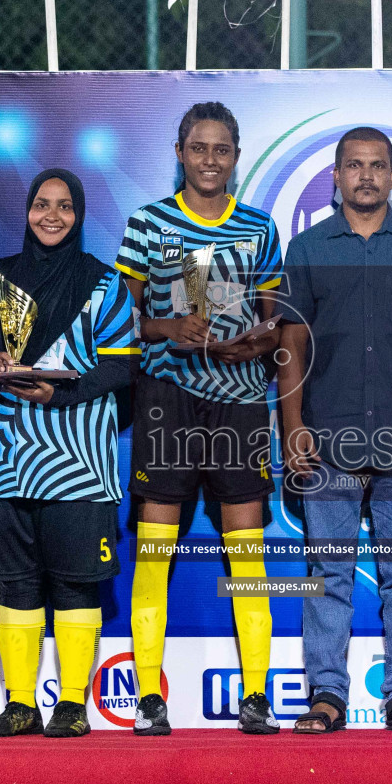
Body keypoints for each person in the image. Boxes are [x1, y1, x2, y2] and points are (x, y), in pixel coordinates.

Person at [278, 127, 392, 735]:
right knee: (327, 573)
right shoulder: (306, 249)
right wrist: (293, 425)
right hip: (326, 440)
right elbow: (291, 344)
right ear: (335, 175)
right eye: (353, 165)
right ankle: (326, 695)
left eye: (377, 165)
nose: (365, 176)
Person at [114, 102, 284, 735]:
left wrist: (254, 344)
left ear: (235, 156)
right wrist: (169, 326)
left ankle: (257, 695)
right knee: (155, 550)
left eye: (221, 149)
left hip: (238, 400)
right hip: (167, 396)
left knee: (248, 552)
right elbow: (116, 321)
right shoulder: (149, 223)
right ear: (179, 153)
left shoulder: (259, 225)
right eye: (198, 148)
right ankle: (149, 698)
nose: (209, 159)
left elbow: (275, 321)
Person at [0, 169, 139, 739]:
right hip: (4, 457)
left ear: (79, 214)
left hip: (77, 461)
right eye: (41, 205)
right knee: (16, 583)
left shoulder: (104, 283)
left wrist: (62, 390)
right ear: (27, 210)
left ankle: (74, 704)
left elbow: (123, 364)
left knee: (76, 582)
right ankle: (19, 704)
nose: (51, 216)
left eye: (63, 206)